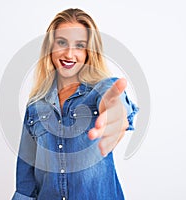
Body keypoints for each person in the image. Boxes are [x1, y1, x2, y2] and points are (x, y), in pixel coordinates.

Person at [12, 8, 139, 200]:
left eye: (79, 45)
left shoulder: (100, 89)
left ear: (89, 52)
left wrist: (115, 111)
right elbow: (25, 181)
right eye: (62, 42)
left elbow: (112, 96)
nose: (69, 53)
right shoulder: (36, 106)